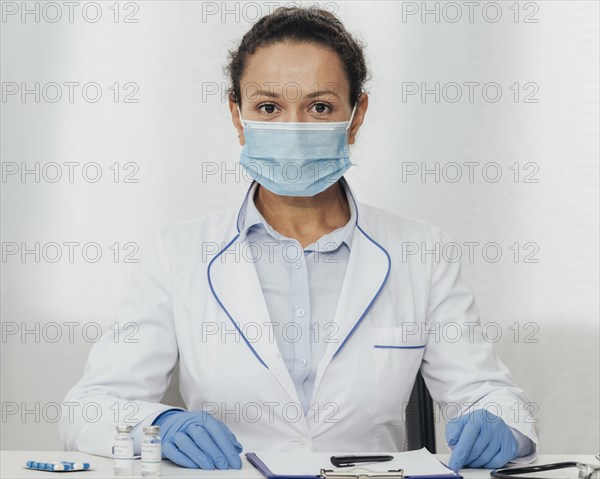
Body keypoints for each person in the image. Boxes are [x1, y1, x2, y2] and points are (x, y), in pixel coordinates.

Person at [60, 6, 539, 472]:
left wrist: (499, 425)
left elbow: (489, 395)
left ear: (356, 115)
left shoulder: (422, 251)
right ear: (236, 114)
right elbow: (90, 407)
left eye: (319, 106)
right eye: (268, 106)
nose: (292, 127)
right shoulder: (177, 253)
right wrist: (161, 423)